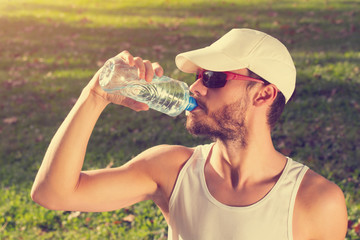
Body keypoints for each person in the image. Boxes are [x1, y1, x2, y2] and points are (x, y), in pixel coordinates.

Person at [31, 28, 348, 239]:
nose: (195, 87)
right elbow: (53, 193)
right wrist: (96, 95)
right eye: (197, 76)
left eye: (212, 77)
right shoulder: (171, 169)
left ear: (263, 95)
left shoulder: (316, 201)